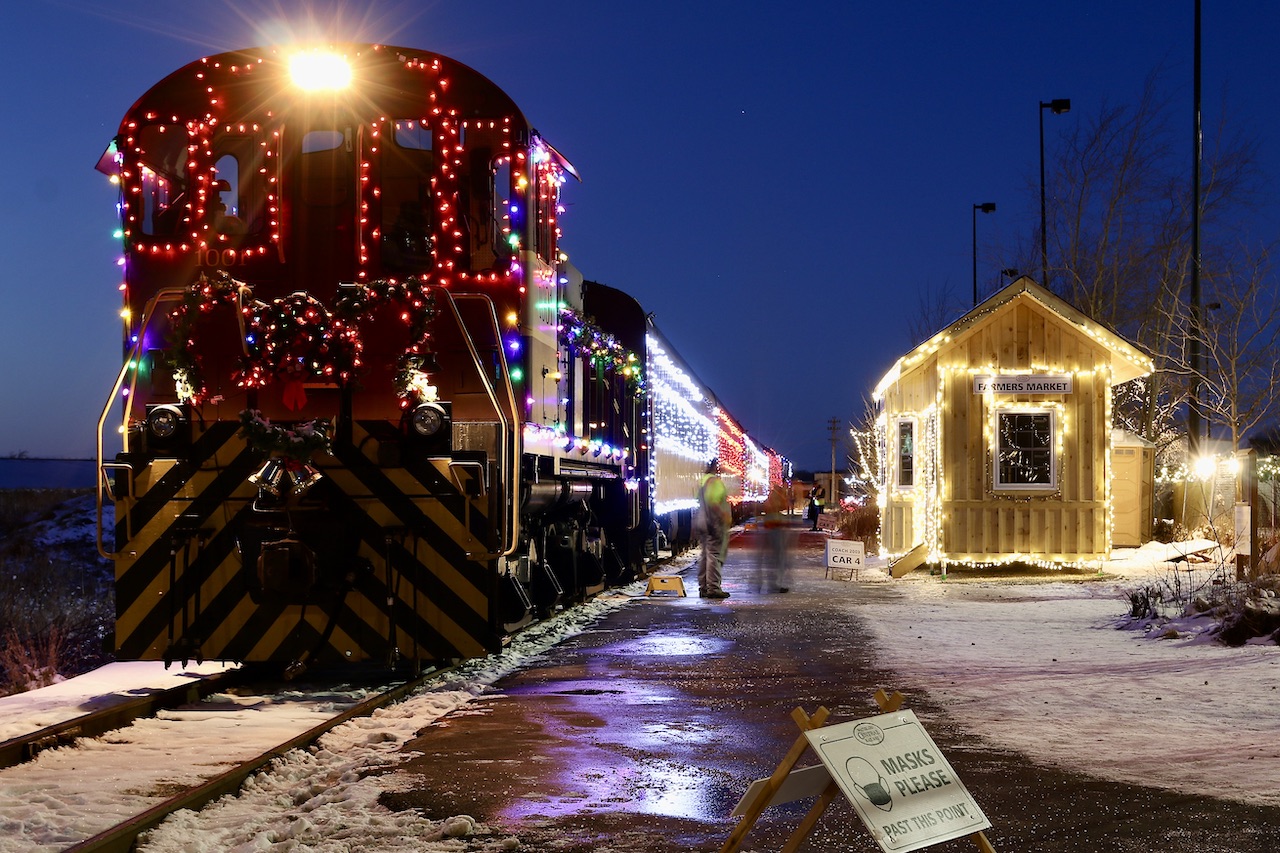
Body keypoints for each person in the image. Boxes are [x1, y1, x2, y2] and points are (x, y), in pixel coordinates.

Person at [694, 458, 732, 599]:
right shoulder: (715, 482)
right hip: (713, 523)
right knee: (715, 555)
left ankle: (703, 587)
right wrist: (723, 515)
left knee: (705, 555)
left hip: (702, 521)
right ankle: (713, 588)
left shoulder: (703, 481)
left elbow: (699, 499)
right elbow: (713, 501)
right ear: (716, 467)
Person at [758, 483, 792, 592]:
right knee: (777, 557)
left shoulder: (771, 498)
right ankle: (775, 584)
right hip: (774, 528)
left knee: (774, 557)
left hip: (772, 527)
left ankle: (773, 583)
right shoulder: (775, 498)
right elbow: (783, 505)